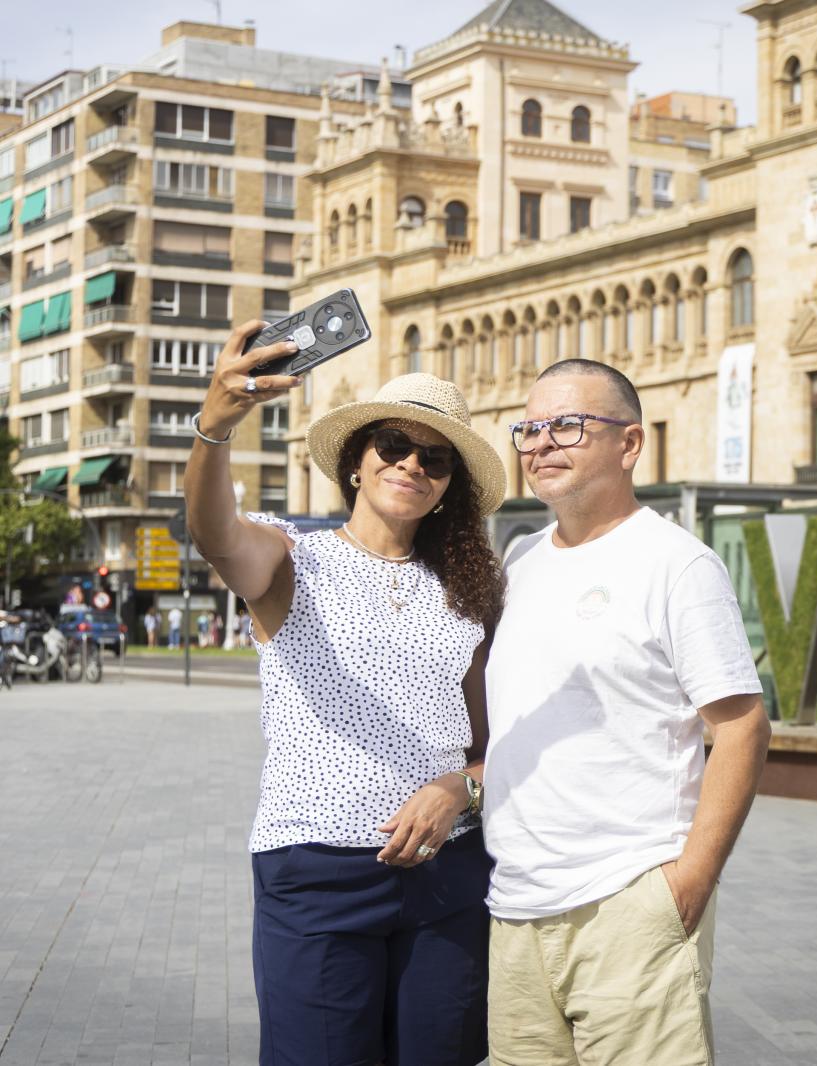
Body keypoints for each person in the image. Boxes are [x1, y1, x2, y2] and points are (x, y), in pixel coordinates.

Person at [183, 320, 508, 1066]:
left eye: (434, 458)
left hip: (447, 875)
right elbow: (215, 533)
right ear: (357, 463)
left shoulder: (471, 591)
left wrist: (458, 789)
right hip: (316, 873)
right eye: (392, 447)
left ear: (449, 485)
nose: (411, 466)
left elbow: (491, 748)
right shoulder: (295, 559)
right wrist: (214, 429)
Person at [486, 359, 771, 1065]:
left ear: (630, 444)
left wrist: (688, 884)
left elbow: (740, 727)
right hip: (516, 912)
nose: (541, 443)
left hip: (630, 903)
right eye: (529, 428)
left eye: (568, 425)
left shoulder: (676, 564)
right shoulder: (520, 560)